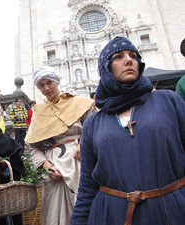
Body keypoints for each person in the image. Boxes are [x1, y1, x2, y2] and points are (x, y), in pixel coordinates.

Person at [71, 36, 185, 225]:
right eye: (118, 57)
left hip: (171, 212)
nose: (129, 60)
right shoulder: (93, 123)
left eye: (133, 55)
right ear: (106, 69)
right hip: (112, 216)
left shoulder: (169, 101)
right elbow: (87, 187)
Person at [25, 66, 93, 225]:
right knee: (56, 214)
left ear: (57, 81)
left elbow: (92, 125)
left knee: (84, 207)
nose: (46, 88)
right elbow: (33, 147)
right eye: (41, 85)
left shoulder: (78, 102)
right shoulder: (39, 112)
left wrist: (84, 144)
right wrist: (45, 165)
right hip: (54, 167)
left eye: (49, 82)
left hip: (81, 160)